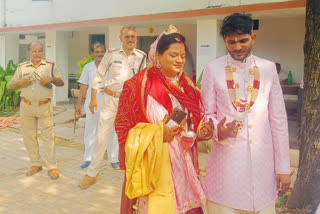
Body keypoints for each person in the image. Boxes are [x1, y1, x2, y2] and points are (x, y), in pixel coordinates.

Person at [115, 26, 213, 214]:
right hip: (154, 165)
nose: (179, 60)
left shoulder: (187, 85)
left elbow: (195, 119)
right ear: (157, 56)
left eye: (182, 56)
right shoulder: (137, 86)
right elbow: (122, 127)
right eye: (173, 55)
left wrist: (202, 130)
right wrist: (158, 133)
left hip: (182, 164)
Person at [201, 13, 291, 213]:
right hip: (226, 169)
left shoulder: (267, 69)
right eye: (231, 42)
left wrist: (283, 168)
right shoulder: (212, 69)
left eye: (243, 40)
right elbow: (206, 113)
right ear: (224, 41)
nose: (237, 47)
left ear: (253, 38)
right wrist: (218, 130)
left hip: (262, 168)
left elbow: (278, 121)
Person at [79, 26, 147, 189]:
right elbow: (100, 74)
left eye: (133, 37)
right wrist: (93, 97)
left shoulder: (141, 56)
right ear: (120, 38)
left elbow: (143, 81)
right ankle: (92, 173)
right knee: (101, 136)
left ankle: (133, 174)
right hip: (110, 99)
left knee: (132, 137)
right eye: (127, 37)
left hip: (129, 102)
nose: (130, 39)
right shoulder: (111, 54)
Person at [9, 42, 64, 180]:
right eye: (34, 51)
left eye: (40, 51)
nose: (37, 54)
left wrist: (51, 79)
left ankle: (52, 167)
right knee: (29, 136)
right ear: (29, 53)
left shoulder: (50, 66)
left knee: (48, 137)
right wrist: (20, 83)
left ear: (42, 52)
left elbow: (61, 82)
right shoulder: (22, 67)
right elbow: (12, 85)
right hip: (26, 106)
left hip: (44, 106)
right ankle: (35, 164)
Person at [76, 42, 106, 168]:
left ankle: (113, 159)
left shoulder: (110, 67)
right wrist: (79, 103)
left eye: (102, 51)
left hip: (107, 104)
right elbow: (84, 86)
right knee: (90, 132)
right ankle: (88, 158)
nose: (99, 54)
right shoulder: (88, 67)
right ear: (92, 54)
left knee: (110, 133)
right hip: (91, 104)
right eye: (97, 52)